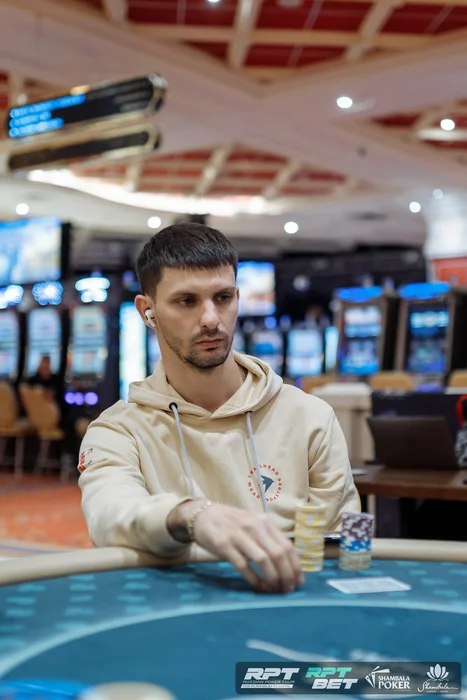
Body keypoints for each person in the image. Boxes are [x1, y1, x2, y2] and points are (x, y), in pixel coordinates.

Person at [78, 223, 360, 593]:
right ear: (148, 311)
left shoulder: (311, 417)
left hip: (290, 603)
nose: (211, 318)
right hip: (176, 611)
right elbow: (109, 515)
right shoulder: (117, 430)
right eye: (187, 301)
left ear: (238, 298)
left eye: (223, 297)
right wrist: (194, 516)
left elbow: (343, 552)